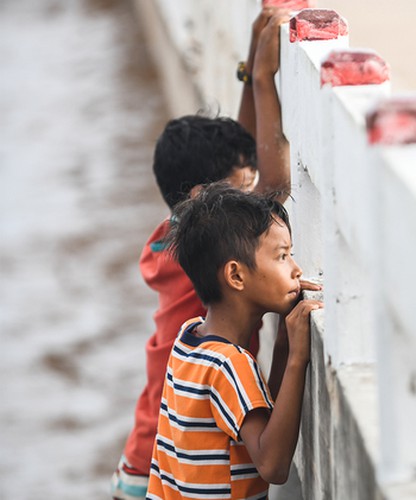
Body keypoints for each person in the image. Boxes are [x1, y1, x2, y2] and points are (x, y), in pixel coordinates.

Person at [111, 7, 303, 499]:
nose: (249, 191)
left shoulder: (178, 236)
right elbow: (275, 182)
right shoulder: (209, 250)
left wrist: (246, 71)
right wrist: (262, 76)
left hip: (157, 455)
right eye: (240, 188)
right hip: (166, 453)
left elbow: (236, 163)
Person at [146, 183, 320, 499]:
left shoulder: (189, 340)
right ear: (236, 276)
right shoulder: (230, 364)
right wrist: (297, 359)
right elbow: (273, 465)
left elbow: (265, 421)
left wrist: (284, 342)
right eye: (282, 256)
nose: (296, 270)